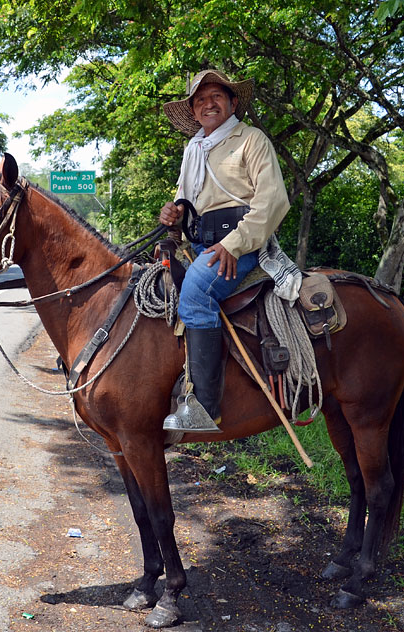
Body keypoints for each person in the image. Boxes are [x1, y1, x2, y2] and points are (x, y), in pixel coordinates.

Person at [160, 69, 290, 433]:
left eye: (216, 96)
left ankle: (204, 407)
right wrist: (173, 214)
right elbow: (186, 202)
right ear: (193, 111)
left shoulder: (252, 139)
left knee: (197, 292)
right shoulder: (193, 149)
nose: (207, 104)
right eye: (199, 100)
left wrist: (233, 244)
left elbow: (272, 201)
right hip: (200, 242)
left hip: (240, 244)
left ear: (233, 103)